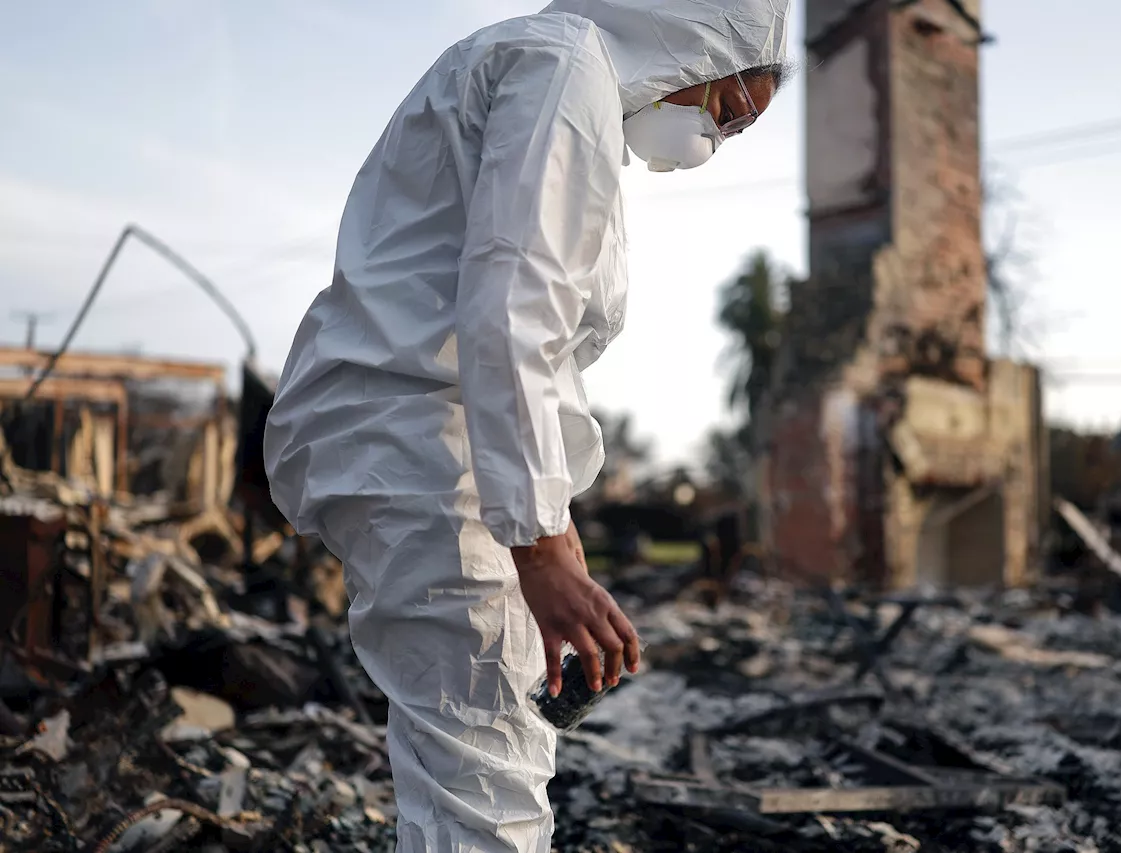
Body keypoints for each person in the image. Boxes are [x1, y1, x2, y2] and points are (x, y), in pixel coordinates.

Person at [264, 1, 794, 850]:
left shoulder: (546, 65)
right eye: (729, 110)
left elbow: (519, 332)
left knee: (478, 757)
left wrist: (559, 538)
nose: (717, 140)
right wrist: (539, 550)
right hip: (427, 448)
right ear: (694, 31)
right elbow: (514, 309)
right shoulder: (564, 68)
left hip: (427, 443)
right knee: (486, 784)